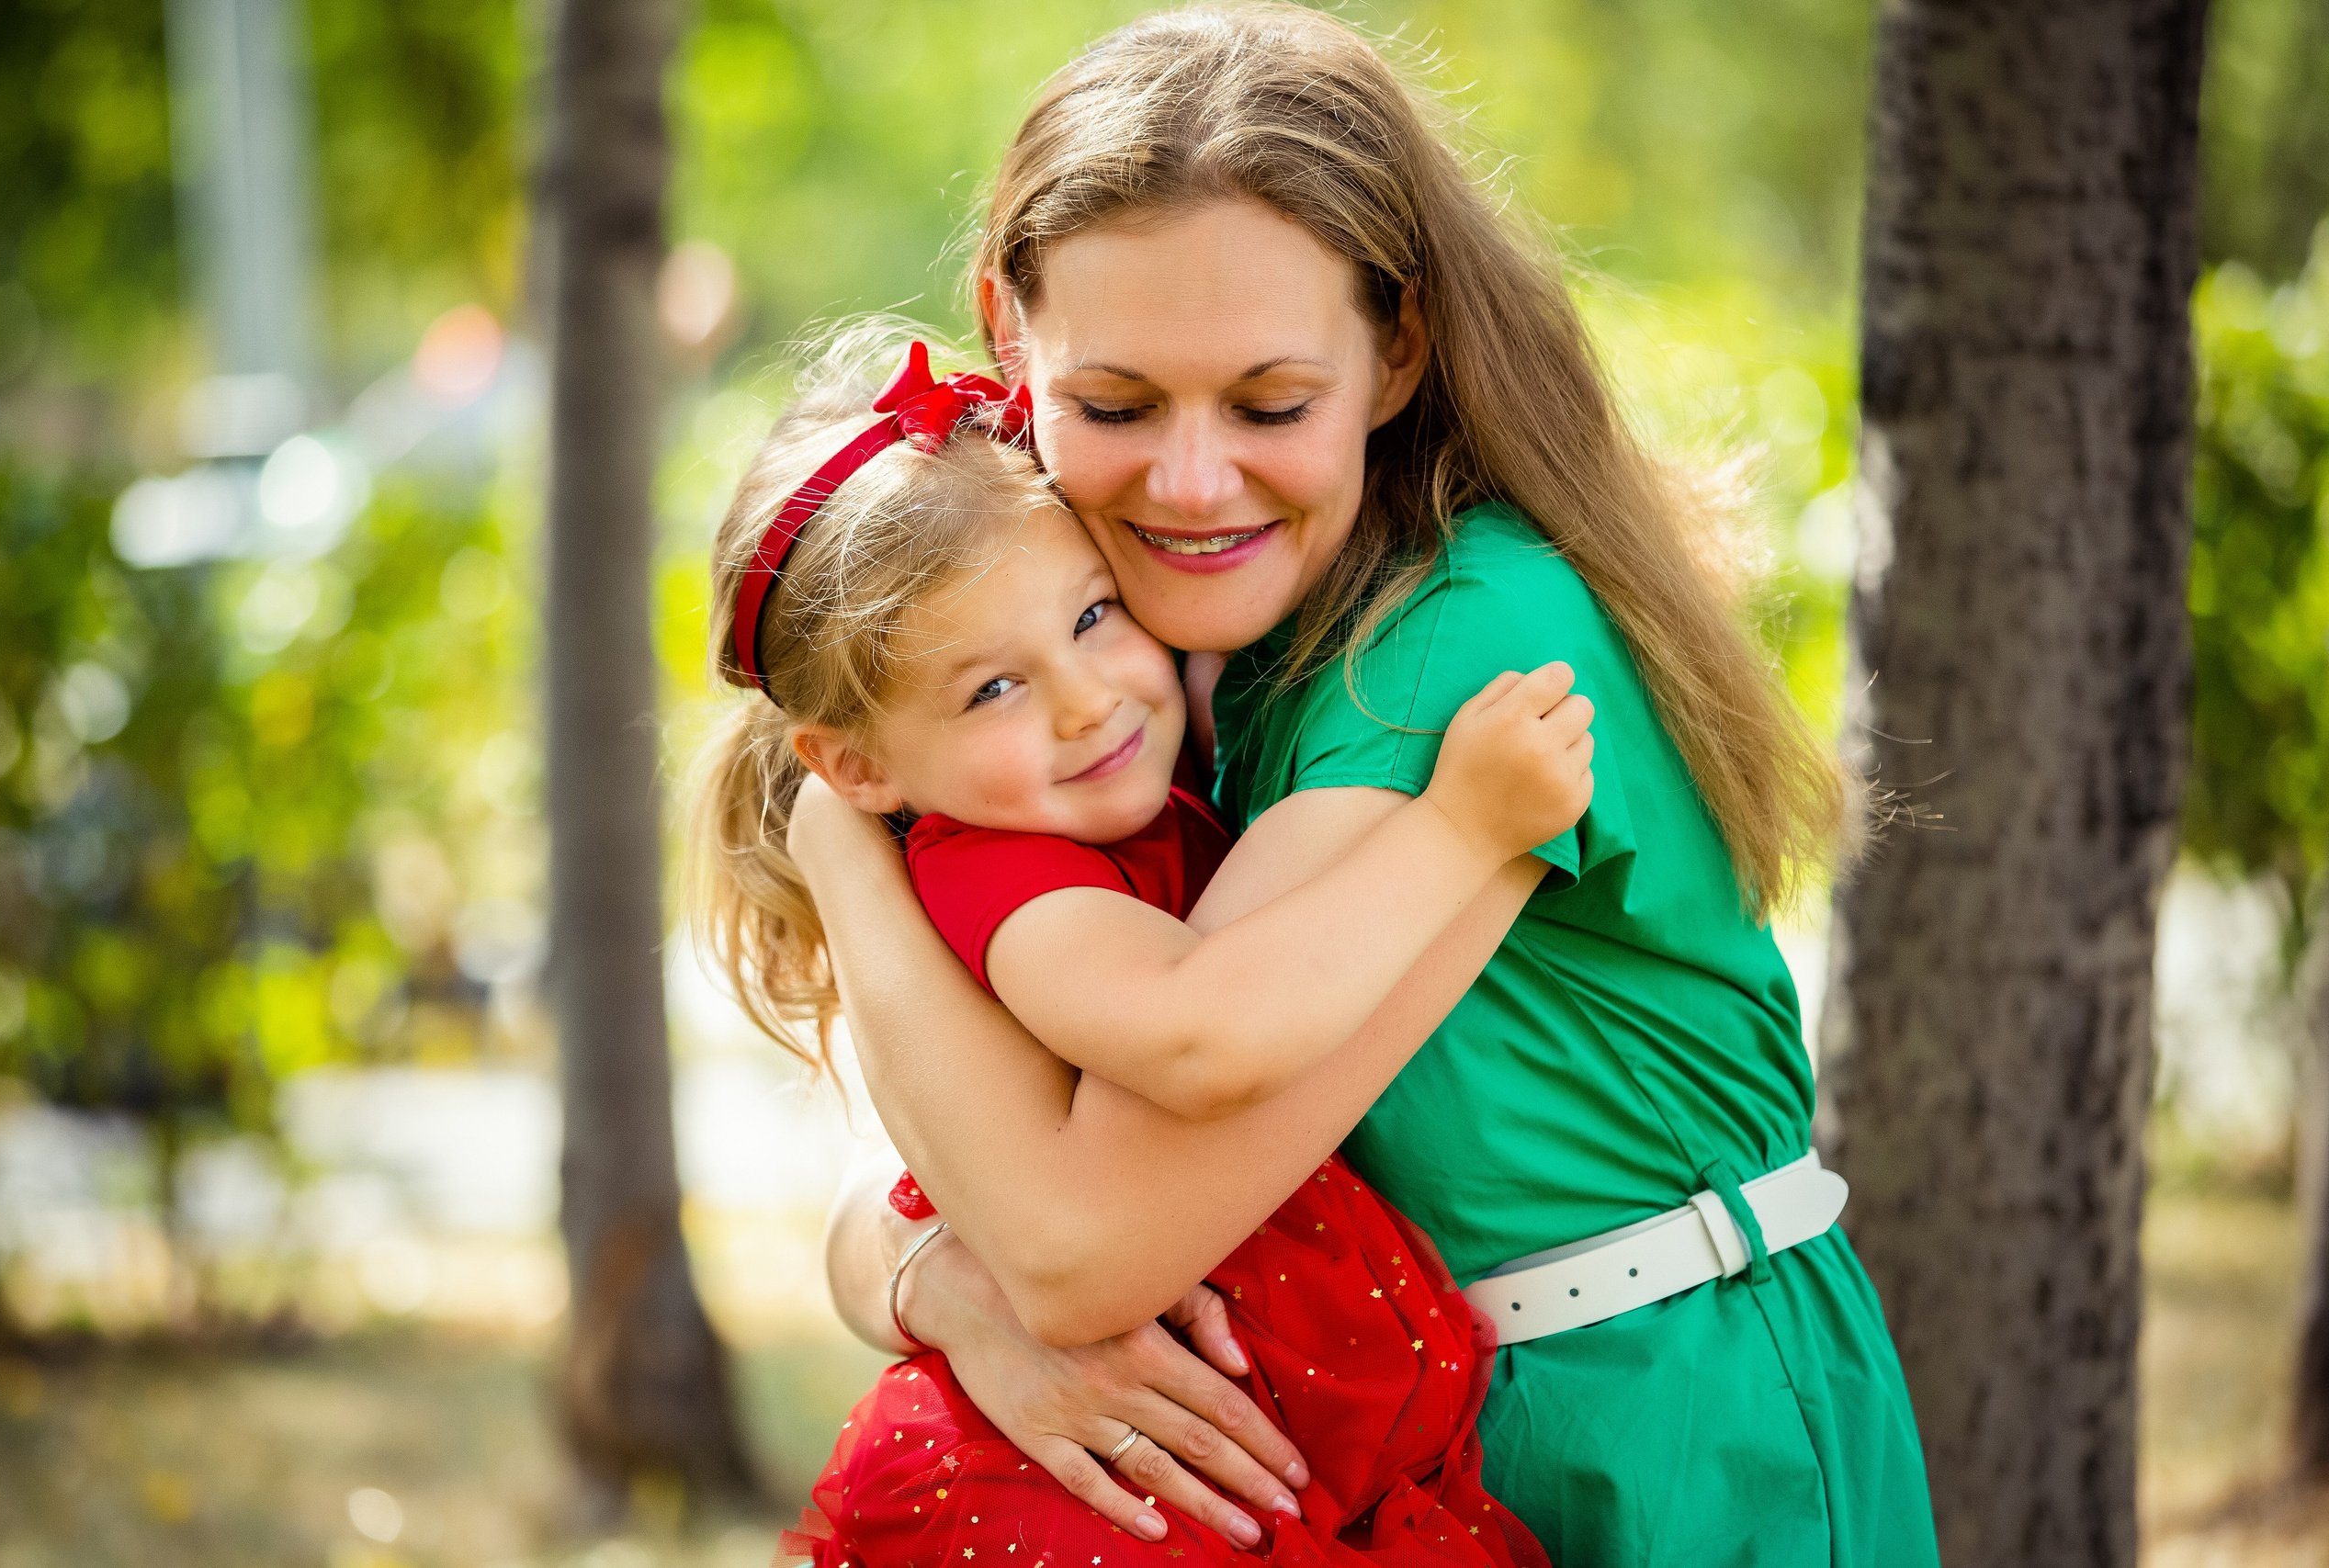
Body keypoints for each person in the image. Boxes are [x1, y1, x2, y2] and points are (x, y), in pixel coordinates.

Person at [792, 7, 1943, 1564]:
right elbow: (942, 1166)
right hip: (1394, 1444)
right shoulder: (1127, 666)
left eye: (1271, 404)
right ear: (1011, 336)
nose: (1191, 484)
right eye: (1117, 407)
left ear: (1397, 348)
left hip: (1651, 1427)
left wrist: (846, 853)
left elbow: (1076, 1245)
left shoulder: (1456, 654)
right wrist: (934, 1286)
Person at [686, 327, 1593, 1567]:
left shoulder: (1142, 788)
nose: (1088, 698)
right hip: (1088, 1499)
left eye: (1095, 615)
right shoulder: (998, 871)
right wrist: (1457, 830)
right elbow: (1195, 1033)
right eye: (991, 689)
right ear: (858, 768)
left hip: (1210, 1453)